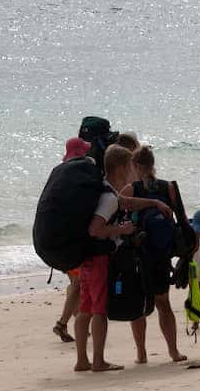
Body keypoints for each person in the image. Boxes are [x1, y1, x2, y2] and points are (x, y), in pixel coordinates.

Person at [74, 145, 172, 373]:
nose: (131, 171)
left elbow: (126, 202)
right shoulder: (108, 197)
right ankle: (98, 361)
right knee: (98, 309)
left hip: (87, 258)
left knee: (85, 307)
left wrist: (154, 203)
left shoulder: (104, 190)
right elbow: (95, 229)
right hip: (99, 259)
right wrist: (121, 229)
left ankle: (82, 360)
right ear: (121, 168)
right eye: (129, 166)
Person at [119, 146, 187, 364]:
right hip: (161, 255)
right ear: (153, 164)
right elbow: (181, 220)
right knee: (163, 303)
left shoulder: (132, 188)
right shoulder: (169, 187)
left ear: (136, 165)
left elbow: (119, 211)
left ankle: (141, 353)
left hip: (138, 254)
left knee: (138, 304)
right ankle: (174, 351)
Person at [53, 137, 93, 343]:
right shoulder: (77, 175)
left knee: (75, 285)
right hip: (74, 243)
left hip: (61, 242)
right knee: (78, 285)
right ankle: (63, 323)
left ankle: (76, 324)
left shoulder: (61, 173)